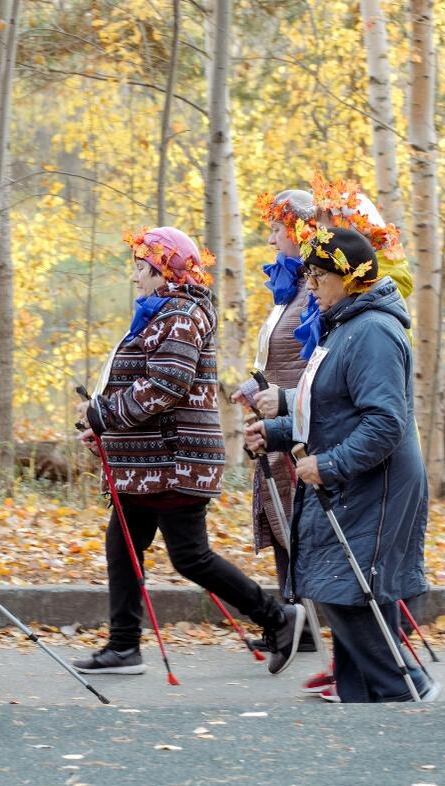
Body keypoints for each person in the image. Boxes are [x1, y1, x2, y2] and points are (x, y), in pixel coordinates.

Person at [72, 226, 305, 677]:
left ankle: (279, 618)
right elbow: (140, 383)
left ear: (165, 272)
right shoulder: (162, 311)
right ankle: (123, 646)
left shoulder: (181, 313)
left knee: (190, 556)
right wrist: (103, 425)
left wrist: (103, 413)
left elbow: (166, 385)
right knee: (123, 544)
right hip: (146, 464)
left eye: (141, 268)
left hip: (174, 461)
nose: (135, 277)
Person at [244, 226, 436, 702]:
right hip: (354, 481)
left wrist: (328, 464)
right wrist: (275, 431)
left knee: (346, 588)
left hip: (377, 483)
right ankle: (361, 701)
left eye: (319, 276)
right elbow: (328, 406)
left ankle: (405, 690)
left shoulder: (372, 332)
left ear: (350, 278)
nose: (309, 285)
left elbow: (385, 423)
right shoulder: (344, 325)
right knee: (350, 590)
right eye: (308, 275)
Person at [229, 189, 317, 653]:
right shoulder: (289, 288)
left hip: (298, 424)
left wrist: (281, 402)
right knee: (280, 516)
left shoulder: (316, 290)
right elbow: (277, 356)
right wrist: (252, 386)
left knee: (299, 521)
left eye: (277, 230)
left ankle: (307, 618)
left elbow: (312, 363)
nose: (270, 239)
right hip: (274, 416)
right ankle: (292, 616)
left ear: (300, 231)